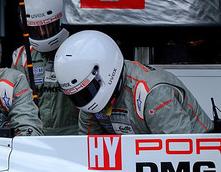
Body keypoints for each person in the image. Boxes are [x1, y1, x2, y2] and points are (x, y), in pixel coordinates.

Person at [54, 30, 214, 134]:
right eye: (78, 95)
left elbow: (180, 150)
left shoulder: (152, 93)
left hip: (198, 156)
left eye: (87, 91)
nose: (84, 99)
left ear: (106, 72)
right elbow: (87, 148)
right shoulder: (89, 104)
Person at [10, 0, 79, 135]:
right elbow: (16, 105)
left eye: (48, 27)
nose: (42, 33)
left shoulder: (81, 50)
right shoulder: (21, 57)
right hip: (37, 136)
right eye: (36, 28)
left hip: (74, 136)